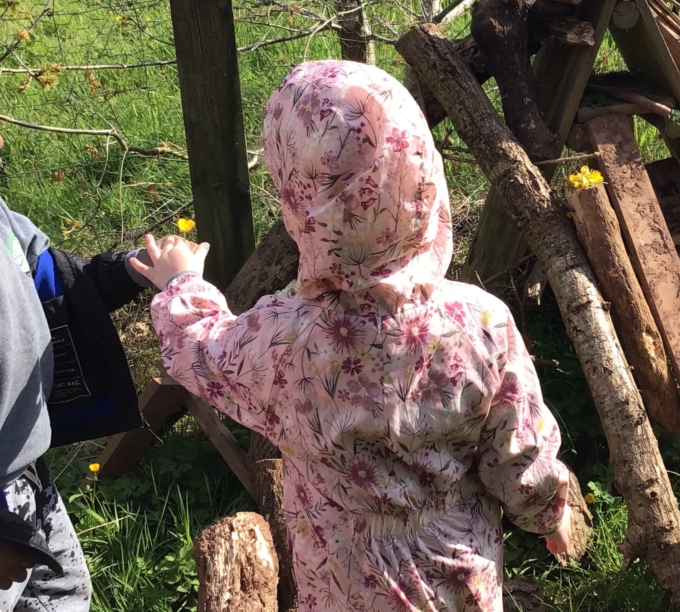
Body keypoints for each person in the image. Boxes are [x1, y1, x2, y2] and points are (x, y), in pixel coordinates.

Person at [133, 61, 572, 611]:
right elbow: (518, 454)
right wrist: (549, 515)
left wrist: (180, 285)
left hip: (341, 575)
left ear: (299, 200)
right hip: (457, 575)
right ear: (422, 179)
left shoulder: (284, 340)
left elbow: (202, 350)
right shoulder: (482, 323)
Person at [1, 198, 155, 610]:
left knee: (63, 594)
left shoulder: (4, 223)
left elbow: (58, 284)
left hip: (27, 476)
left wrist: (136, 268)